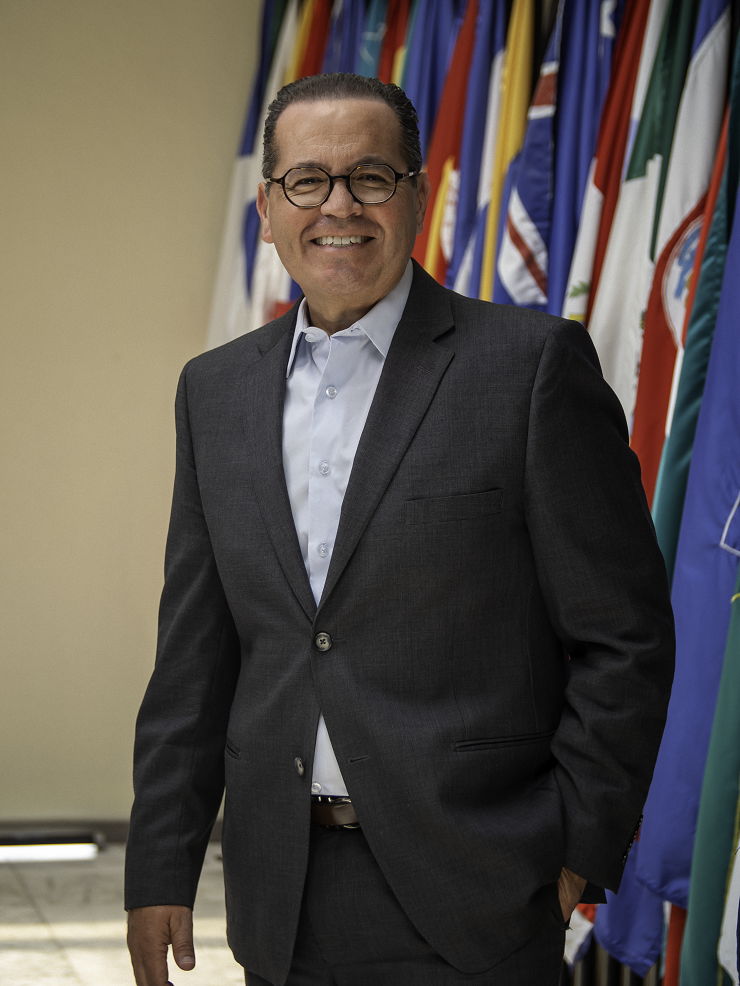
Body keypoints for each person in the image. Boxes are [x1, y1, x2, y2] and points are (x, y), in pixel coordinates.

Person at [125, 73, 675, 986]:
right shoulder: (212, 392)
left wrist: (575, 848)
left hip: (482, 894)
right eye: (307, 180)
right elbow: (195, 656)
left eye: (370, 177)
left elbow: (624, 636)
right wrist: (159, 865)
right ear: (268, 207)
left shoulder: (530, 370)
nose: (338, 205)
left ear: (417, 195)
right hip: (279, 898)